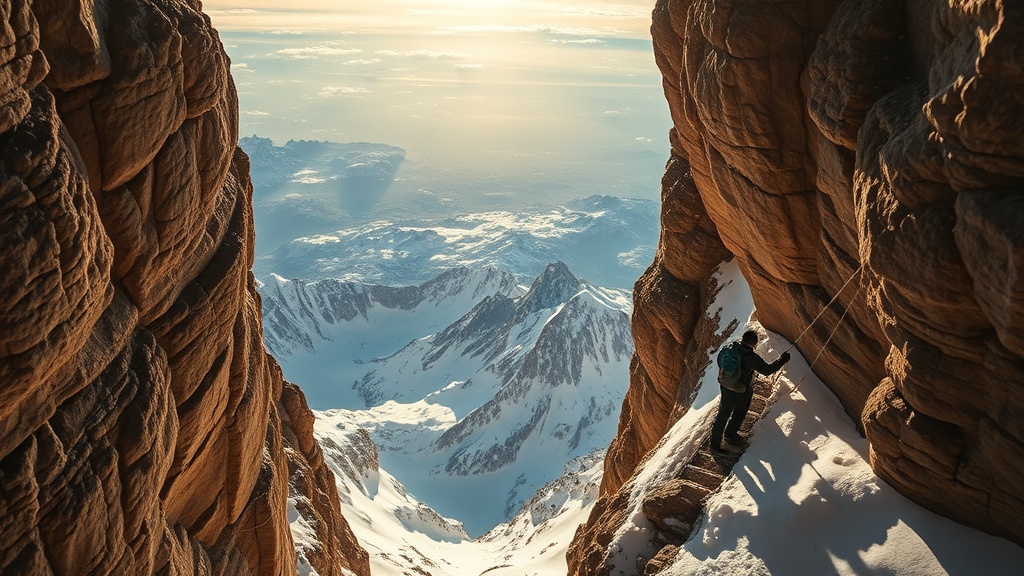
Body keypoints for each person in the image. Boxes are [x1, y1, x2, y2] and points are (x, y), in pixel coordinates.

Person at [710, 330, 790, 453]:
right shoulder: (752, 358)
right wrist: (782, 360)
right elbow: (767, 370)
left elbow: (720, 360)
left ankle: (714, 444)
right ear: (754, 343)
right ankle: (730, 435)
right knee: (739, 412)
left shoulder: (730, 348)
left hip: (725, 384)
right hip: (741, 389)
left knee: (723, 412)